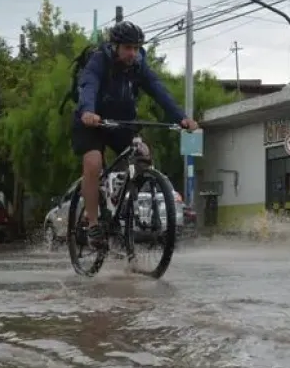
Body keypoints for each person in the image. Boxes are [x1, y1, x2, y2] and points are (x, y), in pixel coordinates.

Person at [73, 20, 199, 248]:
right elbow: (88, 85)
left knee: (143, 155)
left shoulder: (139, 66)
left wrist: (181, 118)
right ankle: (92, 224)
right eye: (127, 48)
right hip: (92, 121)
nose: (132, 53)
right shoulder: (99, 61)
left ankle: (118, 200)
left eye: (136, 47)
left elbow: (159, 91)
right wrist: (88, 111)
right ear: (115, 46)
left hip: (121, 123)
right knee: (93, 164)